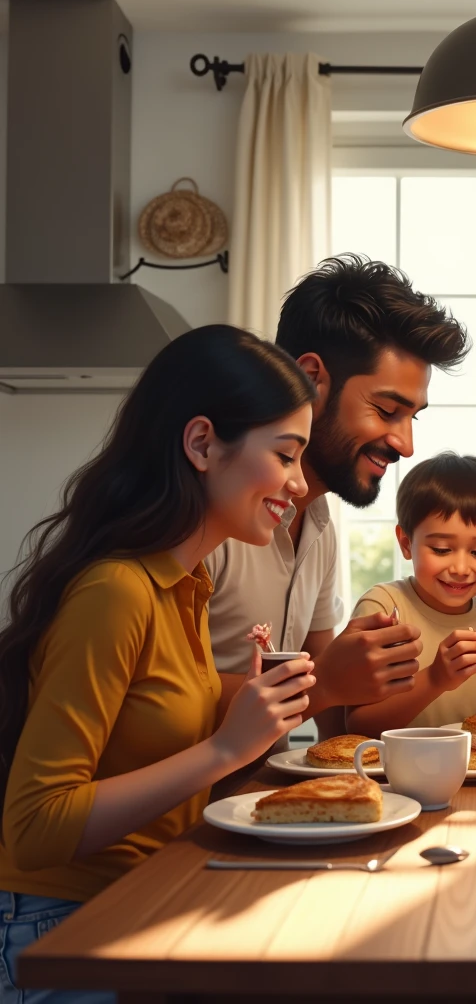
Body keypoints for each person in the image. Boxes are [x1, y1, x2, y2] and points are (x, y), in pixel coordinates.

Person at [0, 325, 320, 1001]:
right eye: (286, 455)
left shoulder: (188, 588)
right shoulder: (117, 592)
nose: (297, 482)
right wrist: (223, 749)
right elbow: (34, 827)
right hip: (61, 930)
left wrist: (247, 716)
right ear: (202, 443)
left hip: (140, 904)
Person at [205, 254, 471, 737]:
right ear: (311, 379)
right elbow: (162, 700)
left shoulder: (320, 518)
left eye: (414, 417)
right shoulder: (211, 516)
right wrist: (325, 680)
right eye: (388, 409)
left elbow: (333, 719)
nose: (406, 445)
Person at [345, 453, 476, 735]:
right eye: (441, 549)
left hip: (473, 772)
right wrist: (436, 679)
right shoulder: (384, 610)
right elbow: (358, 725)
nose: (461, 568)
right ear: (406, 543)